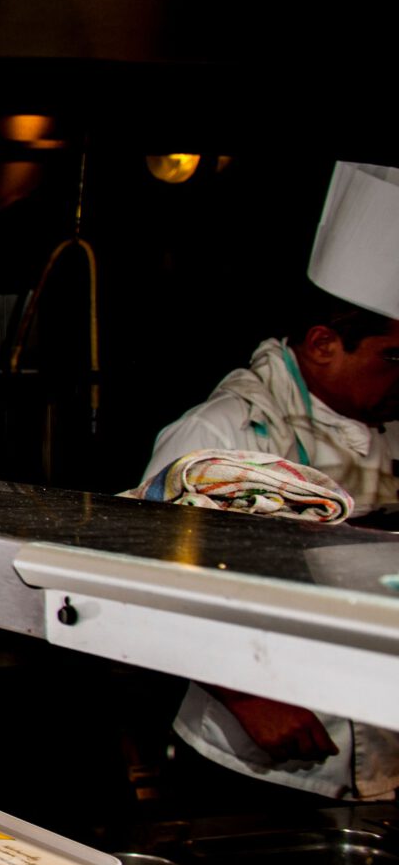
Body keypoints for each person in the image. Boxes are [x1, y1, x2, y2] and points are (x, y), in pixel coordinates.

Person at [138, 285, 398, 802]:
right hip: (259, 759)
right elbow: (148, 583)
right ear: (323, 344)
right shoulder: (220, 433)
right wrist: (246, 696)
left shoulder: (390, 427)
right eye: (393, 357)